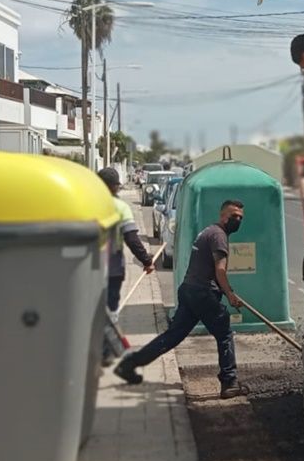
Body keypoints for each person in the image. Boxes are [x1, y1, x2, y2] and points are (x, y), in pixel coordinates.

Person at [113, 200, 250, 399]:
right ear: (223, 216)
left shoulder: (208, 231)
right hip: (202, 293)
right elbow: (220, 270)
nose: (237, 220)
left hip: (189, 290)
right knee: (225, 334)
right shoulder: (219, 236)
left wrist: (227, 292)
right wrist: (229, 294)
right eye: (233, 215)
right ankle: (229, 382)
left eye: (240, 217)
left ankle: (129, 365)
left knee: (173, 336)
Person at [99, 167, 154, 315]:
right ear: (113, 186)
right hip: (112, 268)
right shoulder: (121, 207)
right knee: (109, 315)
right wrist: (147, 261)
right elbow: (131, 239)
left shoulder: (84, 204)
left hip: (86, 268)